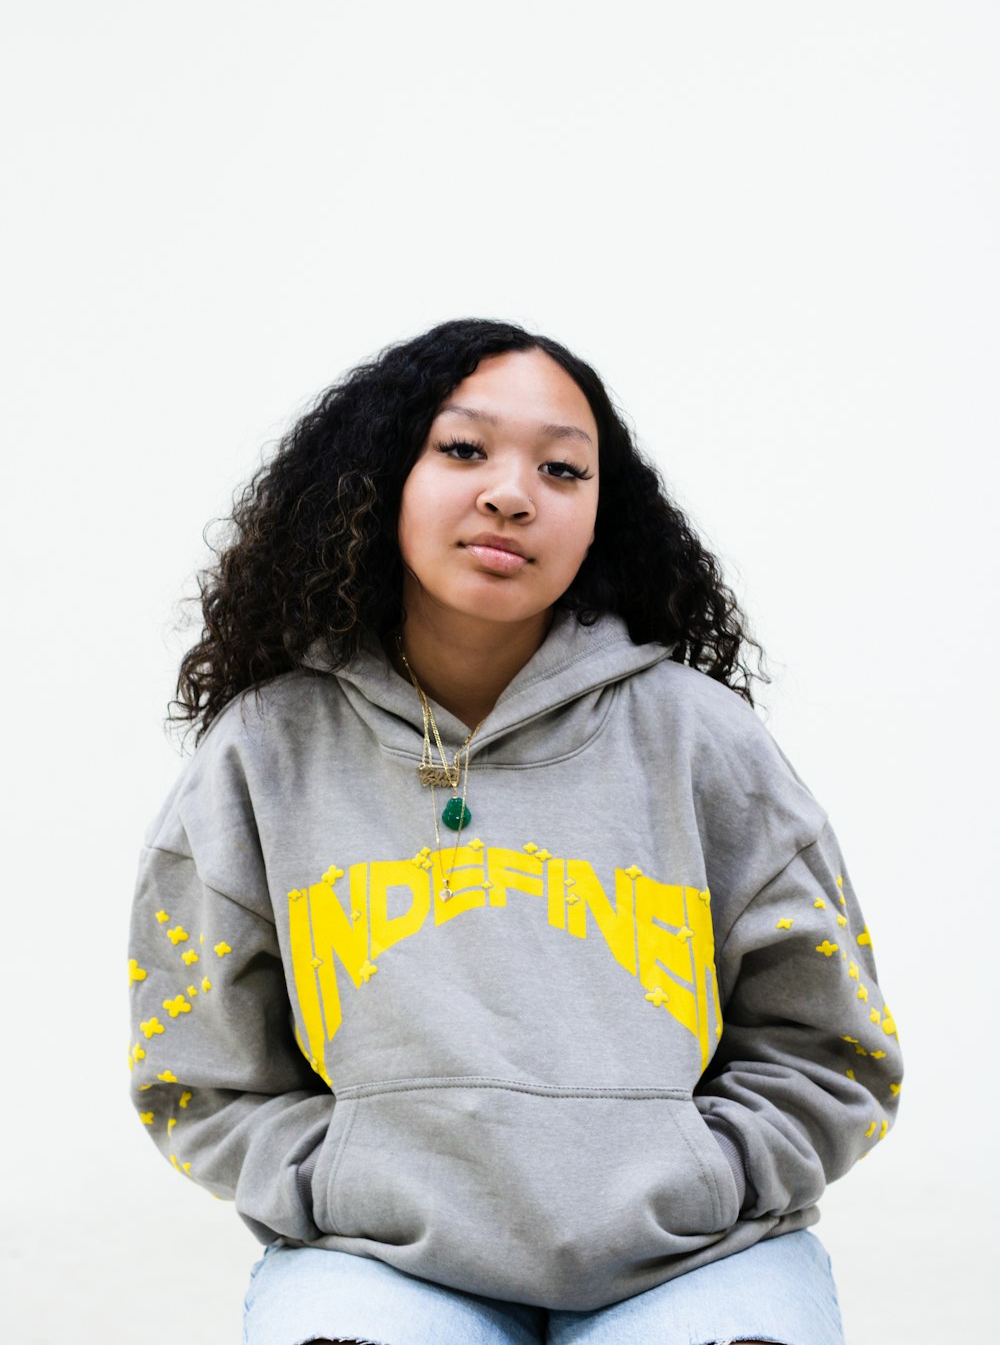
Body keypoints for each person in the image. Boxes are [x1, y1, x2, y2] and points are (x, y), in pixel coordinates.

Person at [127, 318, 902, 1345]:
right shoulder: (262, 753)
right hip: (386, 1262)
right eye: (462, 449)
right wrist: (336, 1184)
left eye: (561, 469)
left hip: (691, 1261)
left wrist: (714, 1174)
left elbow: (829, 1043)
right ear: (376, 480)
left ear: (597, 519)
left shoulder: (701, 740)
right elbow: (199, 1068)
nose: (510, 491)